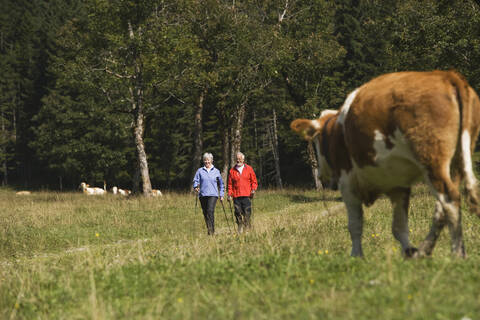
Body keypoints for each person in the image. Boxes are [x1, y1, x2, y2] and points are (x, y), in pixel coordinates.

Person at [193, 152, 224, 235]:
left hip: (213, 195)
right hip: (202, 195)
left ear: (212, 160)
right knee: (205, 213)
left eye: (208, 160)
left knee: (210, 211)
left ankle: (211, 232)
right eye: (205, 160)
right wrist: (196, 187)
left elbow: (221, 184)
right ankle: (209, 228)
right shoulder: (200, 171)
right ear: (203, 161)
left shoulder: (216, 171)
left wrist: (221, 194)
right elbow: (195, 180)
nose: (207, 162)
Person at [227, 152, 258, 233]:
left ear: (243, 159)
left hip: (247, 195)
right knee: (237, 212)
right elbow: (230, 184)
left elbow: (254, 181)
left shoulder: (249, 169)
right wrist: (229, 194)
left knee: (247, 212)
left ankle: (247, 228)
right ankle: (240, 226)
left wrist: (253, 190)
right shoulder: (232, 171)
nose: (238, 160)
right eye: (237, 159)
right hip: (236, 195)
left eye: (240, 158)